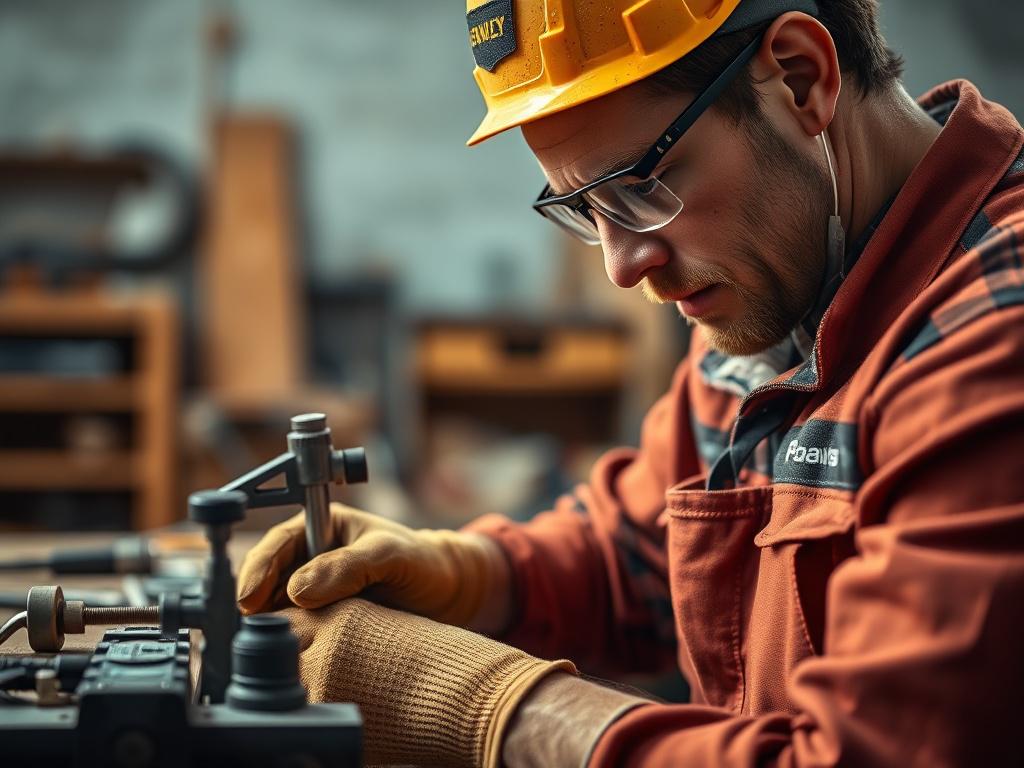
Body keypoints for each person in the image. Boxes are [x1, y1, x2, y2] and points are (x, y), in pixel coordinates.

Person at [237, 0, 1024, 765]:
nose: (622, 267)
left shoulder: (992, 333)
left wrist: (492, 708)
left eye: (643, 186)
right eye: (584, 208)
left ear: (799, 76)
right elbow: (635, 556)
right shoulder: (783, 286)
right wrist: (463, 571)